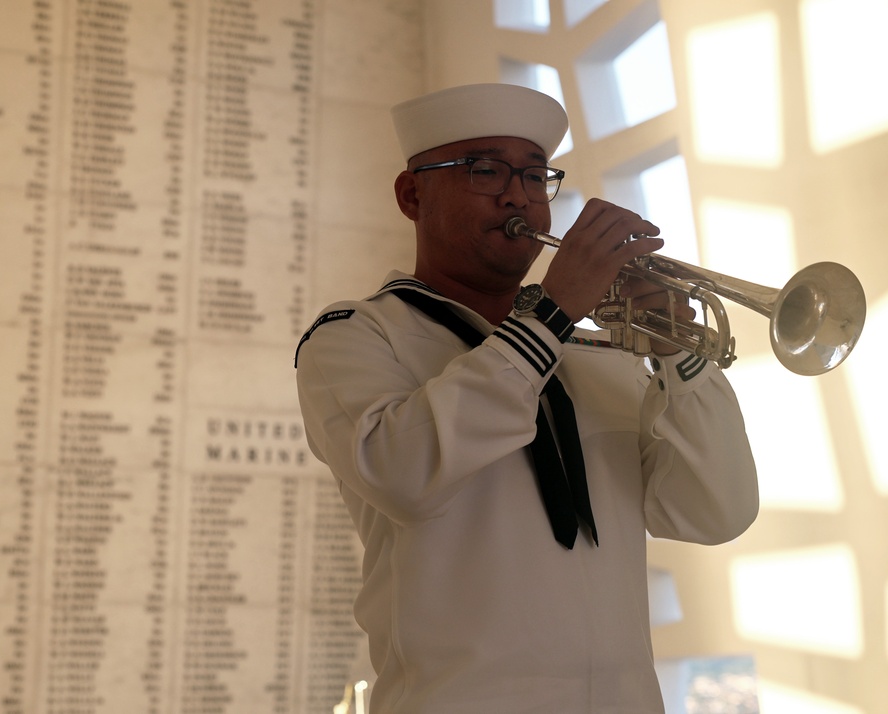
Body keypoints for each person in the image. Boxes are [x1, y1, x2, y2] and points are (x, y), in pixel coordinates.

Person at [295, 83, 758, 714]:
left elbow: (714, 512)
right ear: (411, 195)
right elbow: (405, 474)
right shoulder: (356, 334)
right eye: (484, 170)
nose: (518, 194)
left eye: (537, 177)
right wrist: (552, 315)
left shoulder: (601, 353)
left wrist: (681, 355)